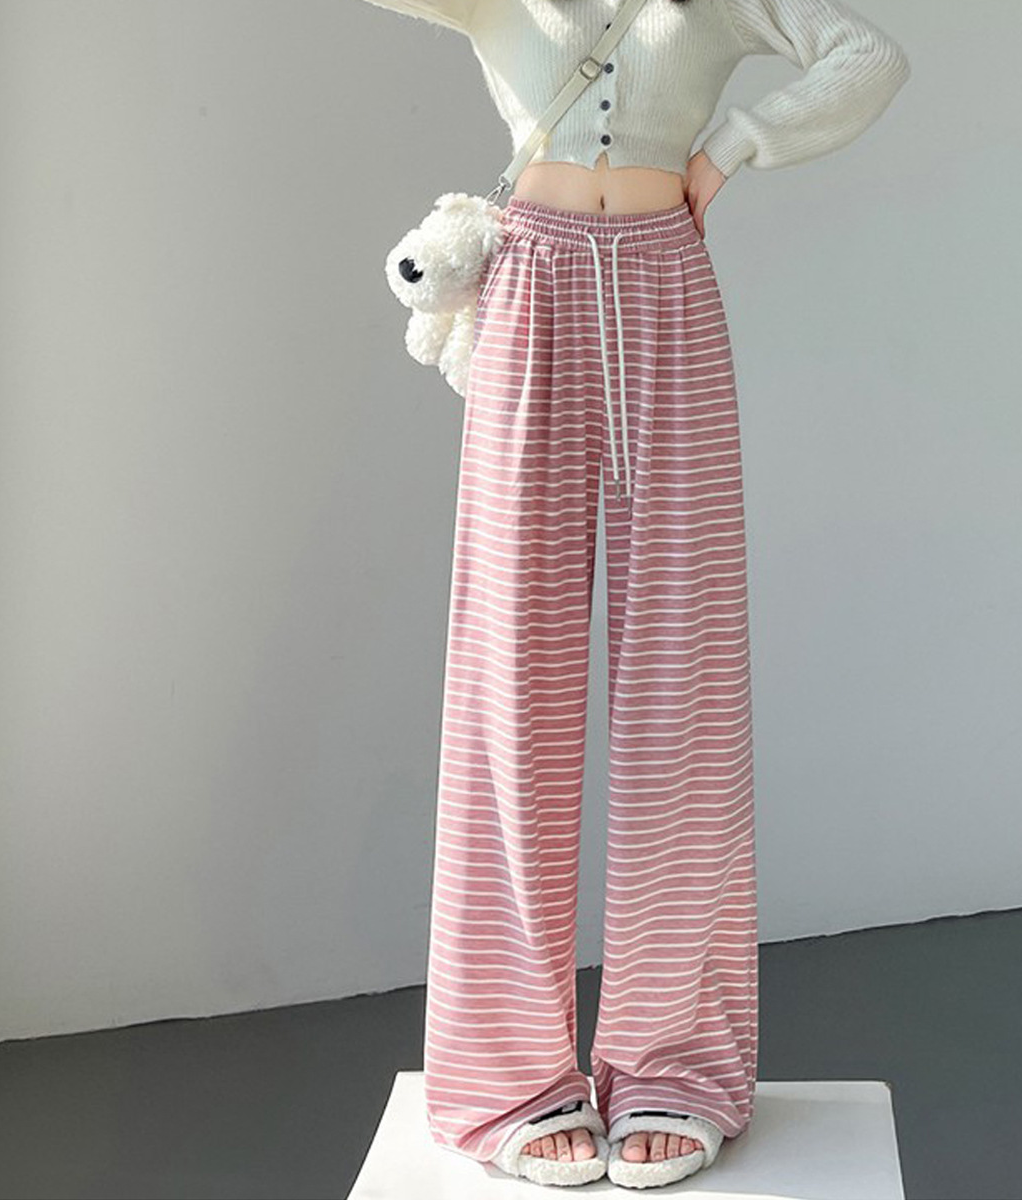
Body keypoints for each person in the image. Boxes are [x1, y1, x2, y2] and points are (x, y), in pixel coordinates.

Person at [361, 0, 910, 1187]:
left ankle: (673, 1062)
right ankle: (511, 1074)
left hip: (669, 288)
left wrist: (733, 148)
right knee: (511, 682)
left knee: (685, 686)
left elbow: (869, 56)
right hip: (529, 291)